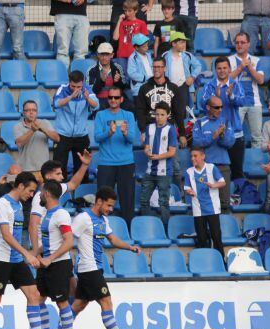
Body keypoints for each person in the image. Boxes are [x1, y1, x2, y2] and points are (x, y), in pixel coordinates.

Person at [0, 172, 59, 329]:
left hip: (16, 259)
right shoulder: (3, 203)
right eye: (30, 191)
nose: (32, 195)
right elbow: (6, 235)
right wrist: (27, 254)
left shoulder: (19, 204)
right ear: (20, 186)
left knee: (34, 294)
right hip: (2, 259)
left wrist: (27, 254)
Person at [62, 186, 140, 329]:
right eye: (108, 205)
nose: (110, 209)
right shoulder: (83, 218)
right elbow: (68, 240)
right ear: (99, 201)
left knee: (79, 304)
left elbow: (112, 239)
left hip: (94, 267)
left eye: (112, 206)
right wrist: (64, 262)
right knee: (106, 301)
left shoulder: (103, 220)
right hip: (88, 268)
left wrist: (129, 247)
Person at [34, 180, 75, 329]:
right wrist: (35, 253)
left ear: (47, 193)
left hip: (58, 264)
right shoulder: (47, 213)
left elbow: (69, 242)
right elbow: (50, 241)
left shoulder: (61, 214)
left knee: (62, 302)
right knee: (38, 298)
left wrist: (49, 258)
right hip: (46, 263)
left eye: (42, 192)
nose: (40, 195)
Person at [94, 86, 141, 225]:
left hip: (126, 163)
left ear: (121, 99)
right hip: (106, 163)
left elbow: (132, 139)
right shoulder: (100, 115)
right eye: (110, 97)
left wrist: (125, 133)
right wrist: (109, 133)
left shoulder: (128, 115)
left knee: (127, 199)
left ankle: (128, 229)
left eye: (116, 97)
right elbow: (97, 137)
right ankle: (101, 228)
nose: (113, 100)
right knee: (103, 200)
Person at [199, 57, 248, 181]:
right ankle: (219, 199)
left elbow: (242, 101)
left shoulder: (236, 84)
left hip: (235, 134)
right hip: (214, 134)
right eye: (219, 68)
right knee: (214, 172)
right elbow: (202, 105)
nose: (222, 71)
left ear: (230, 69)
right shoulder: (209, 86)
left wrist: (231, 96)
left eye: (225, 68)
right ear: (215, 70)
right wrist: (215, 97)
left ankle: (237, 198)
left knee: (237, 171)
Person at [192, 96, 235, 213]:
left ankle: (224, 230)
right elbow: (196, 143)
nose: (220, 110)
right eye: (216, 107)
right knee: (204, 201)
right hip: (204, 167)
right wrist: (213, 136)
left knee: (224, 203)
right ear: (208, 107)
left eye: (221, 107)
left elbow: (230, 143)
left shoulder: (225, 122)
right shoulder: (199, 123)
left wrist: (222, 136)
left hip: (222, 166)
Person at [52, 70, 98, 178]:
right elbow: (56, 104)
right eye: (73, 86)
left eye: (79, 86)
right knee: (59, 169)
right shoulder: (62, 89)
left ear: (82, 83)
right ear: (69, 82)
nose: (76, 89)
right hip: (62, 135)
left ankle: (81, 193)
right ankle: (60, 193)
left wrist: (87, 98)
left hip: (81, 136)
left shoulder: (87, 90)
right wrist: (71, 97)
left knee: (82, 169)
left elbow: (96, 105)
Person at [184, 148, 227, 258]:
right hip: (198, 209)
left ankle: (220, 261)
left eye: (195, 156)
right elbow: (187, 188)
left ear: (203, 156)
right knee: (202, 238)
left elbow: (222, 182)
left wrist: (213, 185)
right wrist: (190, 192)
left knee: (216, 237)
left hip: (212, 208)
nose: (193, 158)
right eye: (191, 156)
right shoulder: (189, 171)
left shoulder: (211, 167)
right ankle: (205, 262)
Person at [135, 58, 186, 149]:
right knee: (153, 159)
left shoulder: (173, 87)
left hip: (169, 128)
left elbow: (178, 112)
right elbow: (140, 111)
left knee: (173, 161)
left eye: (159, 67)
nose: (156, 69)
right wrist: (143, 131)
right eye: (154, 67)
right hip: (151, 128)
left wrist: (182, 134)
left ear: (165, 68)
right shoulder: (144, 88)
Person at [139, 102, 177, 225]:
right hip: (150, 171)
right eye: (157, 114)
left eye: (162, 114)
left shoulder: (171, 129)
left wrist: (157, 157)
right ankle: (147, 226)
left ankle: (165, 230)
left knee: (164, 203)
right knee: (144, 201)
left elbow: (172, 152)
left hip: (164, 172)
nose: (159, 117)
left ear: (167, 115)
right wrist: (147, 152)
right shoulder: (149, 127)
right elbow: (146, 147)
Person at [230, 32, 265, 151]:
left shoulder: (256, 60)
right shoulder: (229, 60)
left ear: (248, 44)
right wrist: (240, 67)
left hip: (254, 102)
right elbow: (226, 80)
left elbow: (260, 80)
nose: (239, 45)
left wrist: (249, 67)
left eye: (242, 42)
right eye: (237, 42)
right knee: (235, 136)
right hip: (236, 103)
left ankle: (256, 163)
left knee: (257, 138)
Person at [14, 100, 61, 177]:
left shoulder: (45, 123)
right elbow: (19, 143)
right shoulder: (17, 126)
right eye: (28, 110)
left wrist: (43, 129)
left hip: (44, 169)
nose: (31, 112)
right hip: (26, 169)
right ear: (23, 112)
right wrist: (32, 130)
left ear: (37, 112)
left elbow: (57, 139)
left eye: (34, 110)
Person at [164, 31, 201, 126]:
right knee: (170, 113)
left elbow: (198, 66)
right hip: (169, 89)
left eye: (184, 42)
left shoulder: (187, 55)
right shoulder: (165, 56)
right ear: (173, 43)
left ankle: (183, 134)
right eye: (181, 42)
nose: (184, 44)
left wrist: (192, 77)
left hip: (185, 88)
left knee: (184, 114)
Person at [88, 42, 128, 111]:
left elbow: (123, 87)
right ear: (98, 55)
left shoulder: (118, 68)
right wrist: (101, 81)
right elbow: (91, 92)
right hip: (99, 99)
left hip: (115, 98)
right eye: (102, 55)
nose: (104, 57)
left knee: (130, 107)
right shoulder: (91, 70)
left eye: (107, 55)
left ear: (112, 55)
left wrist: (117, 82)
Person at [50, 0, 89, 67]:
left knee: (81, 52)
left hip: (81, 14)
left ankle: (79, 75)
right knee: (63, 51)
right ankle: (62, 76)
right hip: (62, 12)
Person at [127, 33, 153, 99]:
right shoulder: (133, 58)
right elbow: (131, 73)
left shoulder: (148, 55)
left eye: (147, 45)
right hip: (139, 89)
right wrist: (145, 78)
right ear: (136, 47)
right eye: (144, 46)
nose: (147, 48)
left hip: (151, 86)